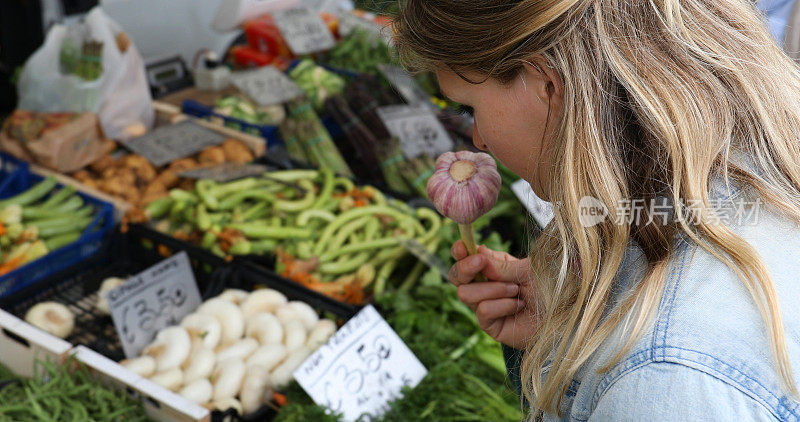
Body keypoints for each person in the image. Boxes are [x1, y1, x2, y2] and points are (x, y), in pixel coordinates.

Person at [394, 0, 800, 420]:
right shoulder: (748, 174)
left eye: (469, 107)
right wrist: (573, 329)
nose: (477, 139)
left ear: (545, 82)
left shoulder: (665, 383)